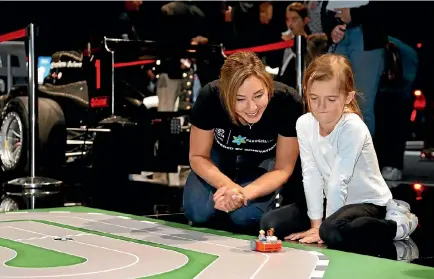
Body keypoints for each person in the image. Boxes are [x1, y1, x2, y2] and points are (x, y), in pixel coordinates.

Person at [260, 53, 418, 248]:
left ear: (348, 97)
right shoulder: (304, 123)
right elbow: (311, 175)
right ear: (306, 93)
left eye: (331, 99)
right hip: (332, 200)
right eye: (314, 98)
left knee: (332, 232)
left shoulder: (352, 126)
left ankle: (397, 224)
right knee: (271, 224)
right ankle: (327, 226)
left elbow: (338, 180)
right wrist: (315, 224)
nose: (321, 107)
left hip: (368, 203)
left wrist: (323, 229)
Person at [183, 51, 304, 228]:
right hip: (218, 160)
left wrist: (243, 194)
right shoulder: (210, 96)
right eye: (240, 99)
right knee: (197, 211)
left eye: (259, 95)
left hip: (262, 163)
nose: (252, 107)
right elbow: (198, 156)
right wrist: (229, 187)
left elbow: (282, 169)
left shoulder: (287, 101)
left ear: (268, 86)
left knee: (244, 216)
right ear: (226, 96)